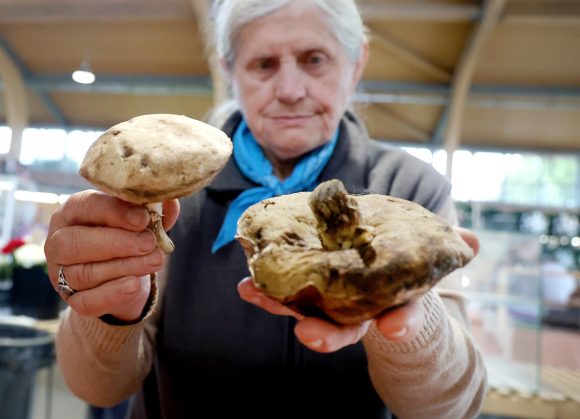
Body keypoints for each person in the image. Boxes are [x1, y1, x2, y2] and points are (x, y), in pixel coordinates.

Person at [44, 0, 487, 417]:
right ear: (229, 70)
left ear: (357, 64)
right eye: (264, 64)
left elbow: (451, 408)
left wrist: (410, 322)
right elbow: (97, 389)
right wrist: (110, 308)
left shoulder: (409, 194)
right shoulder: (165, 192)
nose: (291, 91)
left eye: (315, 59)